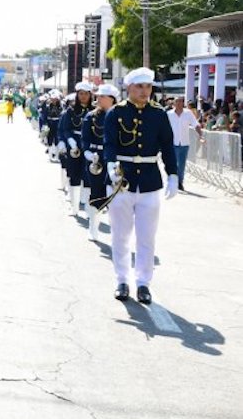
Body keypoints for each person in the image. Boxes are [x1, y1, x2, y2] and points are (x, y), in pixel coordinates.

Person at [103, 67, 178, 304]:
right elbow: (110, 144)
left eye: (148, 87)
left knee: (147, 237)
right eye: (140, 87)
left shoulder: (159, 114)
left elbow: (167, 146)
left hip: (149, 181)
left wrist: (173, 174)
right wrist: (111, 165)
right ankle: (122, 280)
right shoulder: (115, 113)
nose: (145, 91)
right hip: (121, 181)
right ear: (129, 88)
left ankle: (144, 282)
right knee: (120, 235)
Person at [81, 84, 118, 241]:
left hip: (114, 158)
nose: (98, 98)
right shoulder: (91, 116)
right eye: (98, 96)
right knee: (95, 193)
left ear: (111, 99)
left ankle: (117, 233)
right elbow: (85, 138)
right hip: (96, 157)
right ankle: (93, 228)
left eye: (102, 96)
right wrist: (88, 153)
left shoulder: (119, 116)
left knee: (115, 196)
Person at [58, 82, 93, 217]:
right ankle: (74, 206)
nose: (84, 97)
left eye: (86, 94)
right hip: (75, 145)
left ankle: (86, 203)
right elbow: (65, 128)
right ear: (77, 95)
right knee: (74, 174)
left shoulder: (95, 111)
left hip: (89, 146)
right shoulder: (71, 111)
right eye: (81, 94)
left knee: (89, 176)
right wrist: (70, 141)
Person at [166, 97, 202, 192]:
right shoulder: (169, 114)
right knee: (173, 164)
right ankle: (172, 181)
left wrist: (200, 134)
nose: (178, 103)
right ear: (174, 103)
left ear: (183, 103)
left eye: (180, 101)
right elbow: (164, 127)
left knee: (181, 165)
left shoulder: (188, 113)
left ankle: (180, 182)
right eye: (177, 101)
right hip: (172, 143)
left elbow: (195, 124)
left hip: (184, 143)